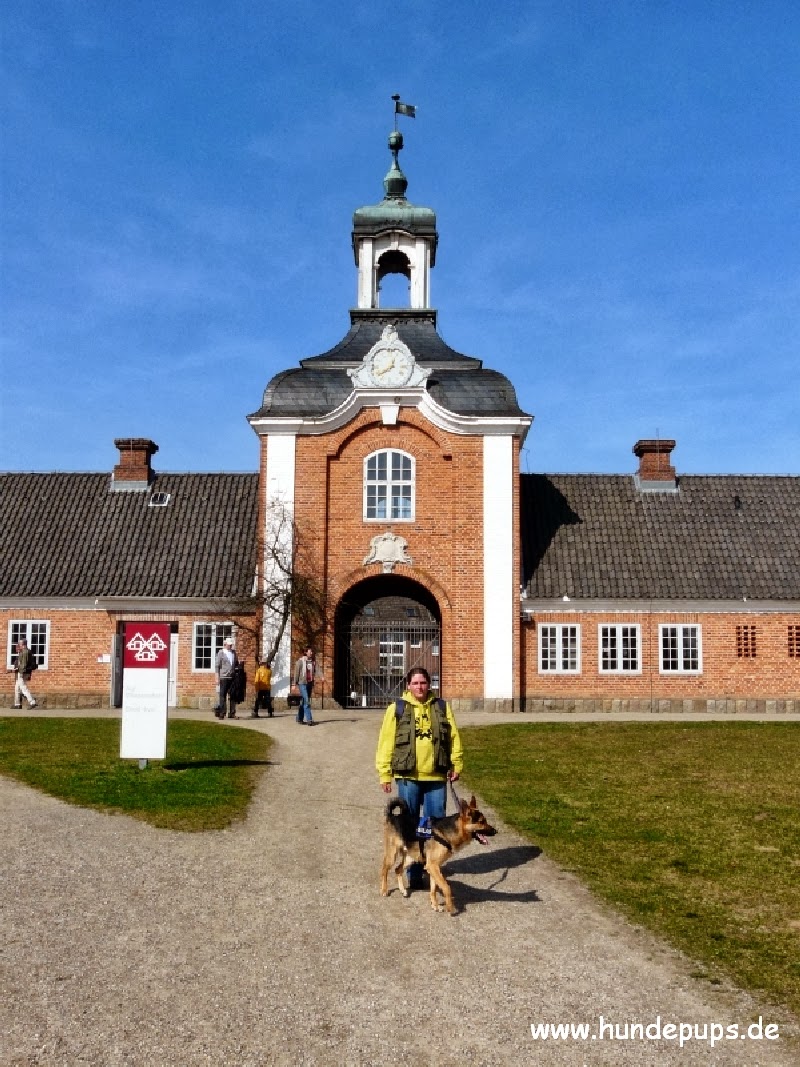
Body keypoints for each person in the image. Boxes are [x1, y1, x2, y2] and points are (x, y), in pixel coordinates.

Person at [375, 666, 463, 887]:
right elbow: (386, 742)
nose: (420, 687)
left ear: (429, 684)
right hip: (408, 777)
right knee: (411, 826)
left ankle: (432, 868)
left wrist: (456, 763)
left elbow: (453, 736)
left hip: (436, 778)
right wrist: (385, 773)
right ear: (408, 685)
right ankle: (414, 872)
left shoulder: (442, 707)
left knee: (436, 827)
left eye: (423, 683)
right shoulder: (397, 709)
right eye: (415, 683)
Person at [292, 646, 319, 725]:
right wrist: (294, 683)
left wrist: (322, 676)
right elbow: (296, 673)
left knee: (304, 701)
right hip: (302, 683)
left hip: (309, 683)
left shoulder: (312, 662)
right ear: (306, 652)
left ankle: (299, 718)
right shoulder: (300, 662)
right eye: (310, 651)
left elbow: (317, 669)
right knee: (307, 700)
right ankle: (309, 720)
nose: (311, 653)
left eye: (311, 652)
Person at [10, 638, 37, 710]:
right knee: (17, 688)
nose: (19, 645)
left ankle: (32, 702)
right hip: (21, 671)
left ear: (23, 645)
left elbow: (24, 664)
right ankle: (17, 704)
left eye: (20, 644)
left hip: (22, 672)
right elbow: (21, 663)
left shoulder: (25, 652)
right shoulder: (24, 651)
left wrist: (20, 671)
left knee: (23, 688)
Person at [214, 637, 238, 719]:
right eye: (229, 645)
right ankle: (222, 713)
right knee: (222, 695)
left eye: (231, 645)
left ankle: (232, 713)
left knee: (232, 695)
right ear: (225, 644)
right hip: (224, 677)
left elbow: (236, 664)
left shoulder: (234, 653)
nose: (230, 646)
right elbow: (217, 666)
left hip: (232, 677)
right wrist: (216, 677)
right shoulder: (221, 653)